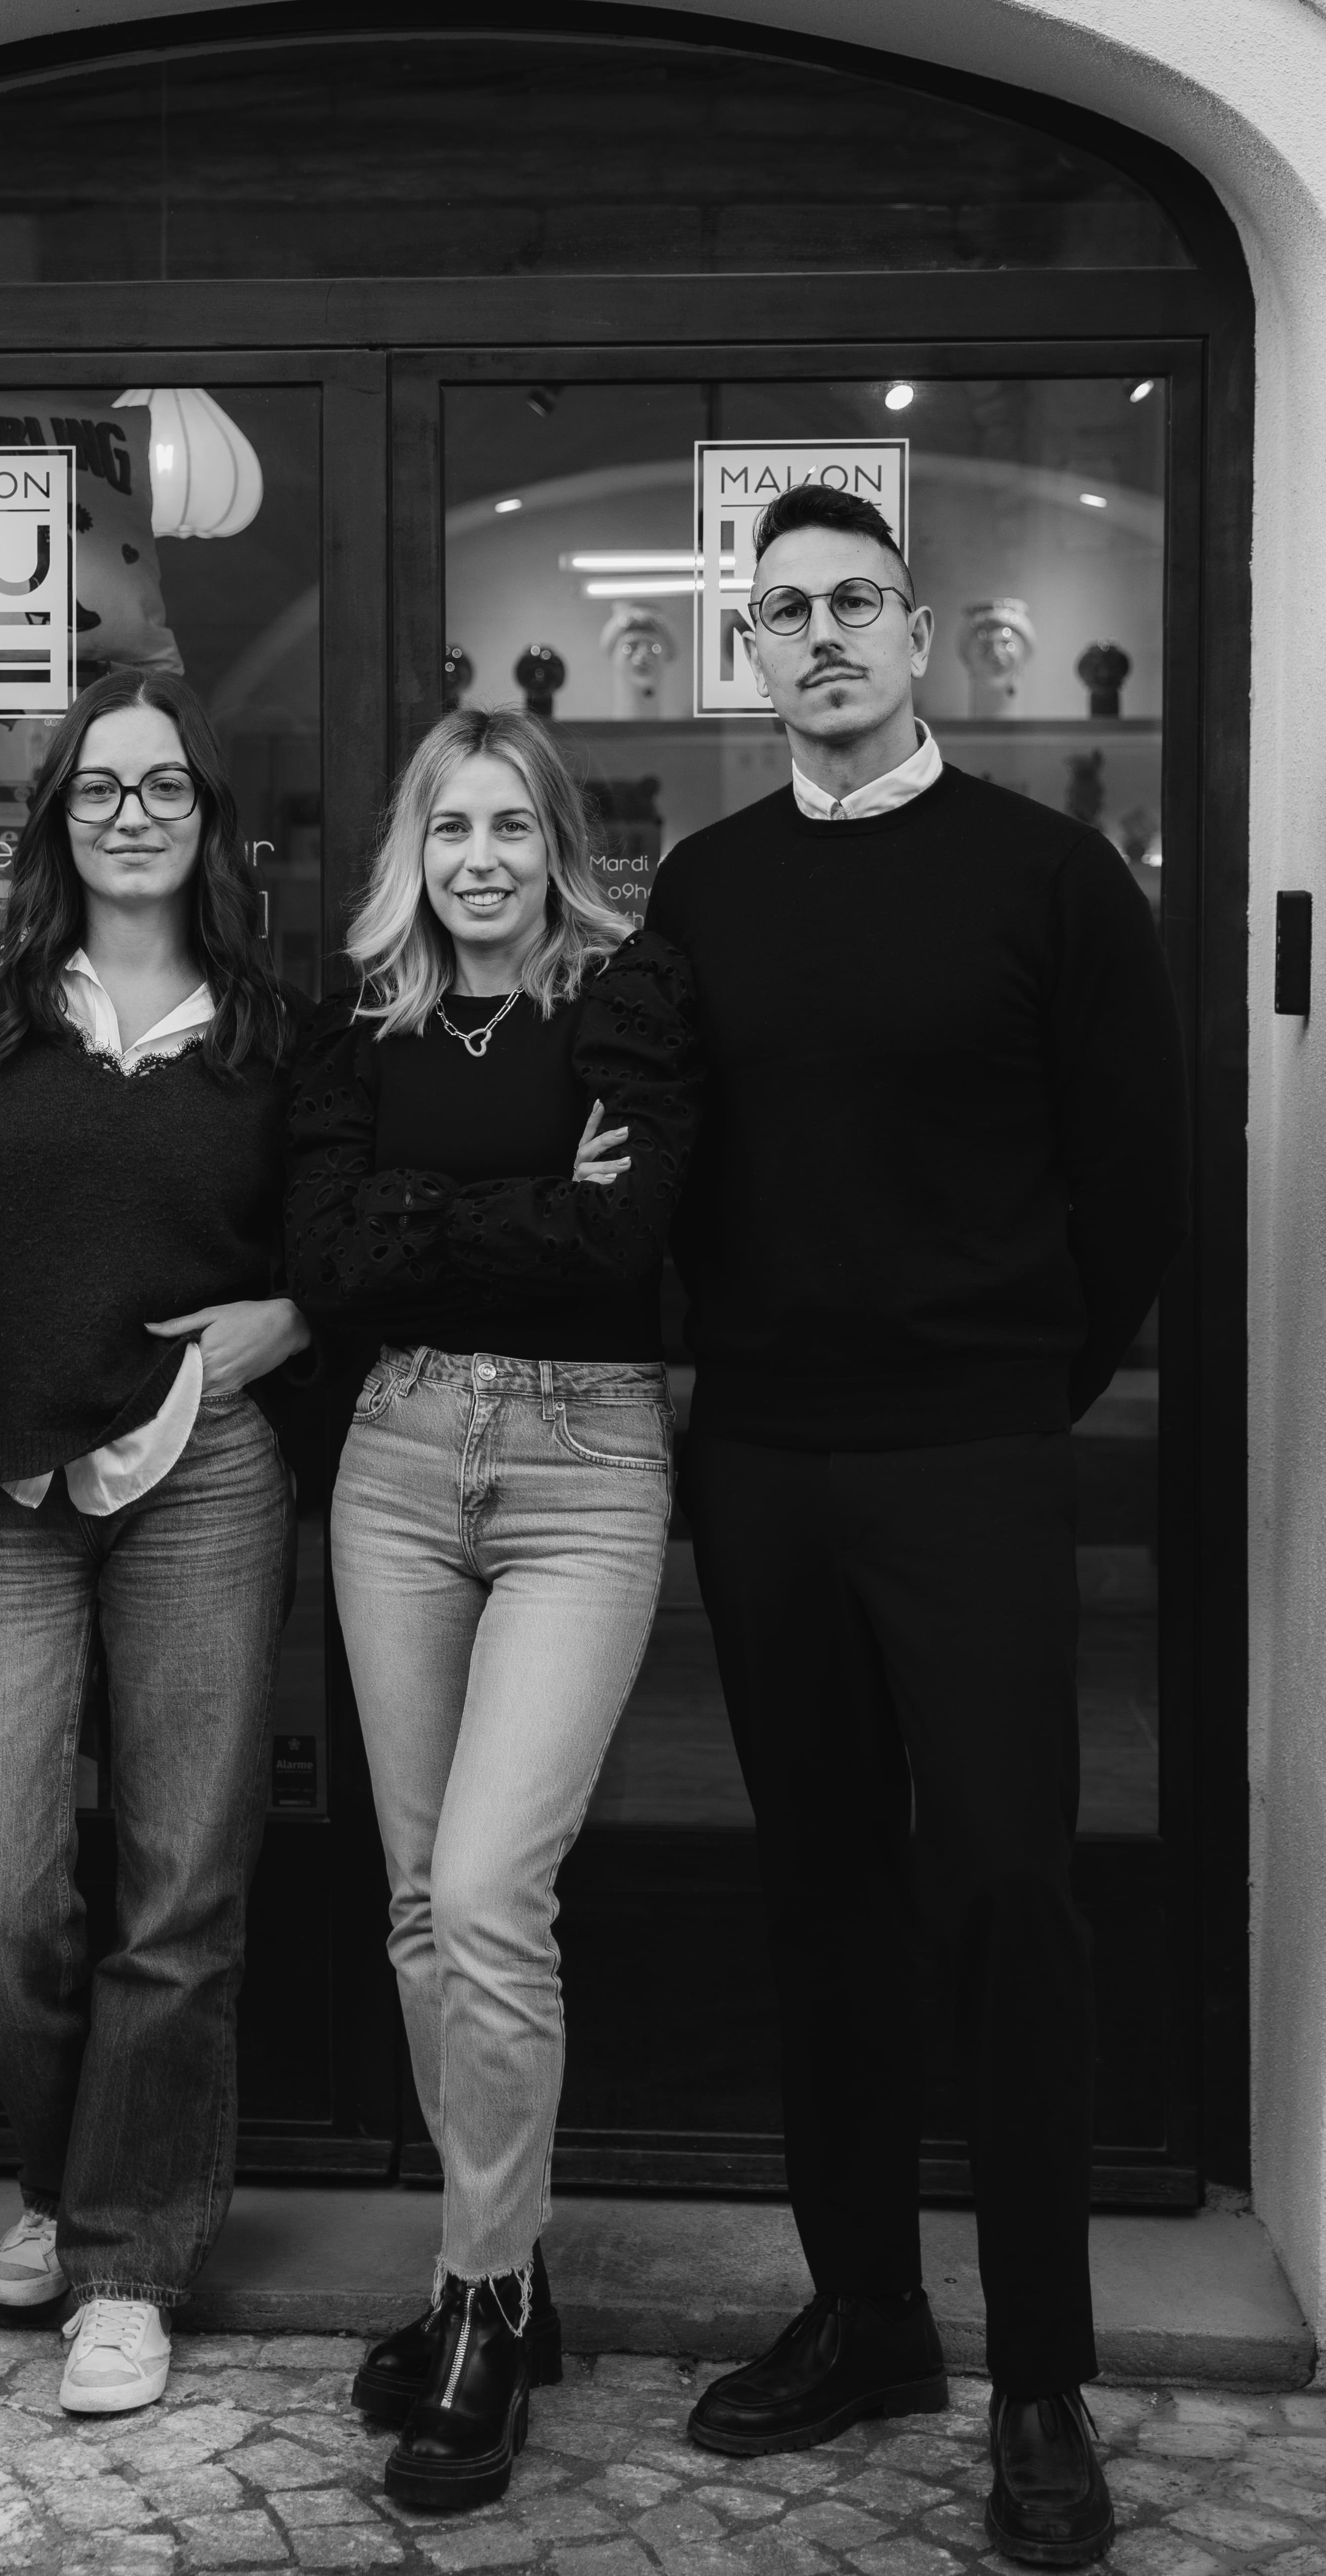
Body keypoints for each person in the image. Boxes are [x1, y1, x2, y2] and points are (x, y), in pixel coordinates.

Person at [646, 486, 1189, 2568]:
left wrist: (1010, 1387)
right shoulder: (705, 887)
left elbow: (1132, 1188)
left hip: (968, 1453)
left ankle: (1040, 2377)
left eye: (852, 602)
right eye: (779, 610)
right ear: (752, 652)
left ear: (920, 630)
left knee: (1005, 1892)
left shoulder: (1049, 877)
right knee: (820, 1898)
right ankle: (867, 2312)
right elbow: (670, 1166)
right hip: (767, 1460)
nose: (819, 636)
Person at [0, 672, 310, 2419]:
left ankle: (127, 2262)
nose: (134, 815)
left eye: (166, 787)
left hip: (203, 1474)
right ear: (58, 815)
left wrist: (292, 1317)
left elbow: (344, 1230)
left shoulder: (276, 1026)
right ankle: (76, 2173)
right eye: (101, 788)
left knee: (181, 1882)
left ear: (210, 815)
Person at [284, 707, 703, 2516]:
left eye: (511, 829)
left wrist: (427, 1217)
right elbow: (325, 1261)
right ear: (416, 849)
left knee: (483, 1893)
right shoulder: (356, 1027)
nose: (480, 860)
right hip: (393, 1461)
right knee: (413, 1905)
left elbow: (624, 1243)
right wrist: (525, 1203)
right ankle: (505, 2280)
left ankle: (474, 2293)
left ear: (558, 850)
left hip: (583, 1471)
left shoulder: (629, 1001)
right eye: (451, 828)